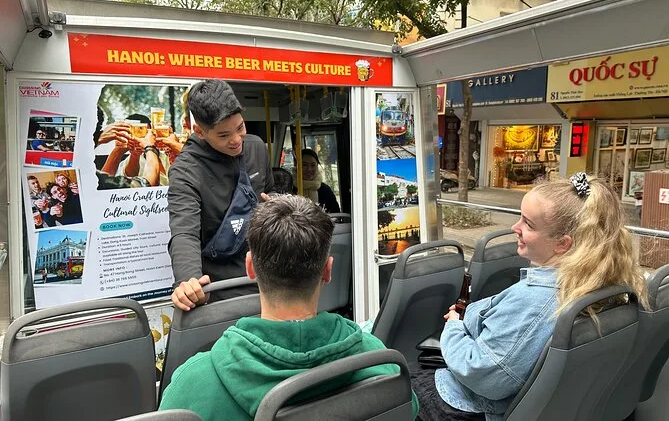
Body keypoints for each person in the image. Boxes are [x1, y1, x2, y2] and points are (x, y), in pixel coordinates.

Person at [410, 173, 647, 421]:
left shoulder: (535, 301)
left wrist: (454, 326)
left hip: (466, 405)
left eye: (528, 224)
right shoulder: (606, 287)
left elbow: (482, 374)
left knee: (391, 384)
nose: (515, 228)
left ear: (562, 244)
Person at [159, 195, 419, 420]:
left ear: (250, 268)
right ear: (328, 271)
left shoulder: (194, 384)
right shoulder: (380, 361)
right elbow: (409, 409)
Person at [168, 79, 273, 311]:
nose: (236, 140)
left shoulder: (256, 147)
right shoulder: (186, 171)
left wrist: (275, 204)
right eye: (224, 135)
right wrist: (189, 282)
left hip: (269, 277)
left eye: (240, 128)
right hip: (223, 288)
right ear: (200, 132)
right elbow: (184, 232)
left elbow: (271, 190)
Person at [295, 148, 340, 213]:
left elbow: (336, 214)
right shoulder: (291, 189)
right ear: (296, 166)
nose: (309, 169)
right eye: (304, 165)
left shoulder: (325, 190)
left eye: (313, 165)